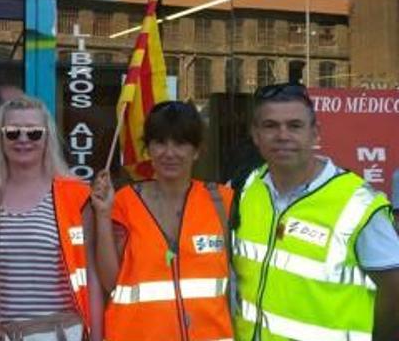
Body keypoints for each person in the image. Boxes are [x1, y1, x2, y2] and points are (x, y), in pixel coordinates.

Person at [233, 82, 399, 341]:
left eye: (295, 126)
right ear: (255, 135)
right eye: (270, 126)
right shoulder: (247, 188)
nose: (282, 135)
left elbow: (394, 291)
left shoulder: (358, 203)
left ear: (315, 133)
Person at [91, 101, 234, 341]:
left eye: (180, 143)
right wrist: (103, 215)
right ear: (147, 149)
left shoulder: (222, 201)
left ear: (196, 150)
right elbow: (110, 281)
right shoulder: (123, 202)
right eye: (159, 142)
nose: (169, 153)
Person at [0, 95, 102, 340]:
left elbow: (92, 275)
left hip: (62, 332)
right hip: (2, 333)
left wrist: (97, 336)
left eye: (33, 133)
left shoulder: (77, 196)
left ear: (47, 138)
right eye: (12, 132)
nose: (23, 139)